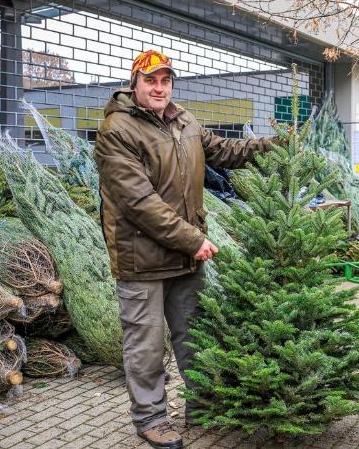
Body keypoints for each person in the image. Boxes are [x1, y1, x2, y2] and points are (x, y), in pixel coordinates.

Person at [94, 50, 274, 449]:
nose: (159, 88)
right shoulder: (117, 131)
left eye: (165, 80)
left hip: (185, 259)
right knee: (146, 346)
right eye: (150, 80)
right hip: (141, 260)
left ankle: (201, 405)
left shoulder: (184, 121)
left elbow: (225, 151)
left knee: (194, 335)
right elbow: (139, 203)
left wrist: (273, 146)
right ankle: (151, 418)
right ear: (135, 83)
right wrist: (195, 240)